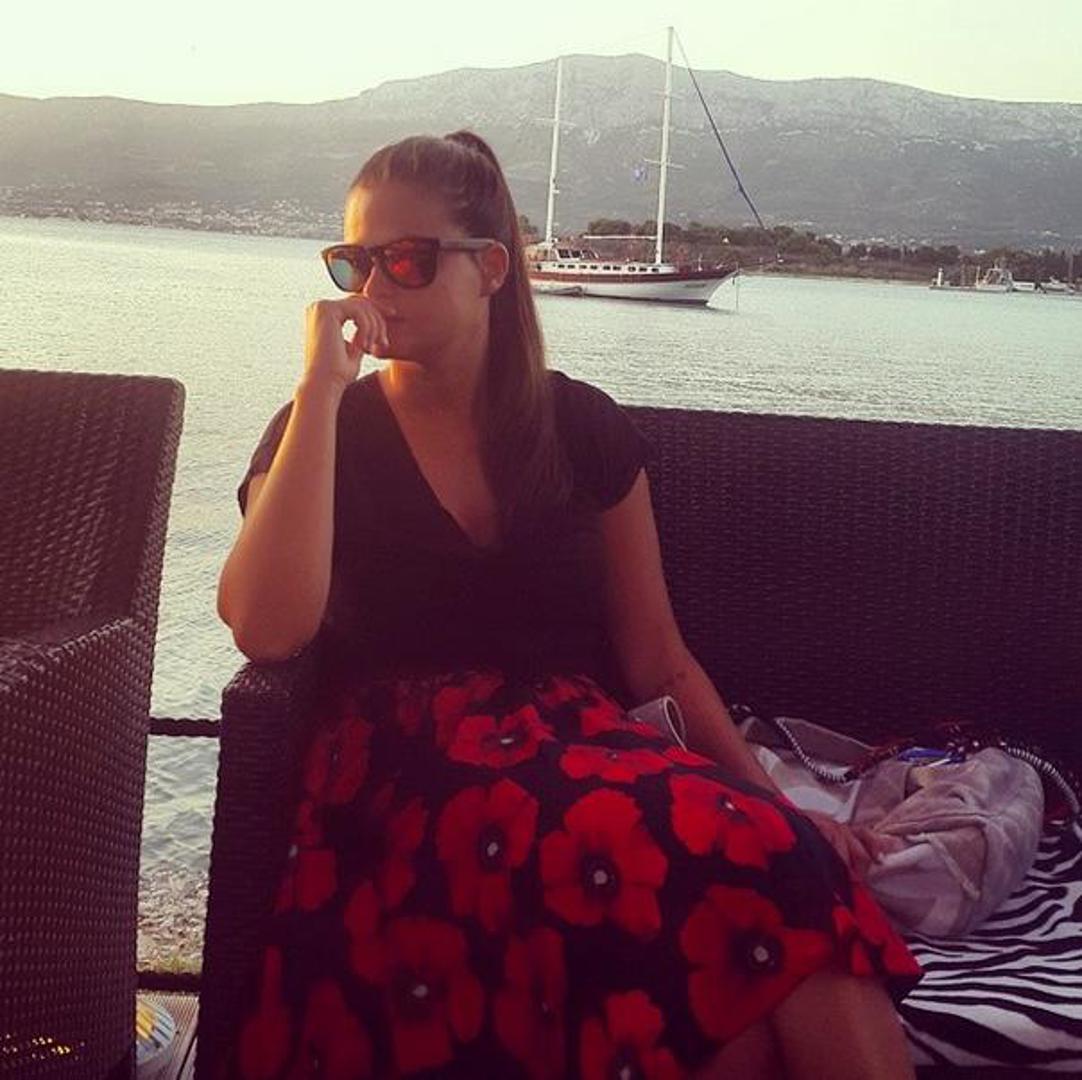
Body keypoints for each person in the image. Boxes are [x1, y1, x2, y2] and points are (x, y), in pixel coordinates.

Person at [216, 129, 922, 1079]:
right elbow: (265, 627)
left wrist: (773, 800)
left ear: (490, 269)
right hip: (404, 789)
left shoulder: (581, 428)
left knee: (779, 916)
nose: (374, 286)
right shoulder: (322, 429)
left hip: (576, 759)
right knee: (761, 897)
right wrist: (319, 388)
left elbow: (657, 657)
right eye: (355, 262)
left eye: (407, 259)